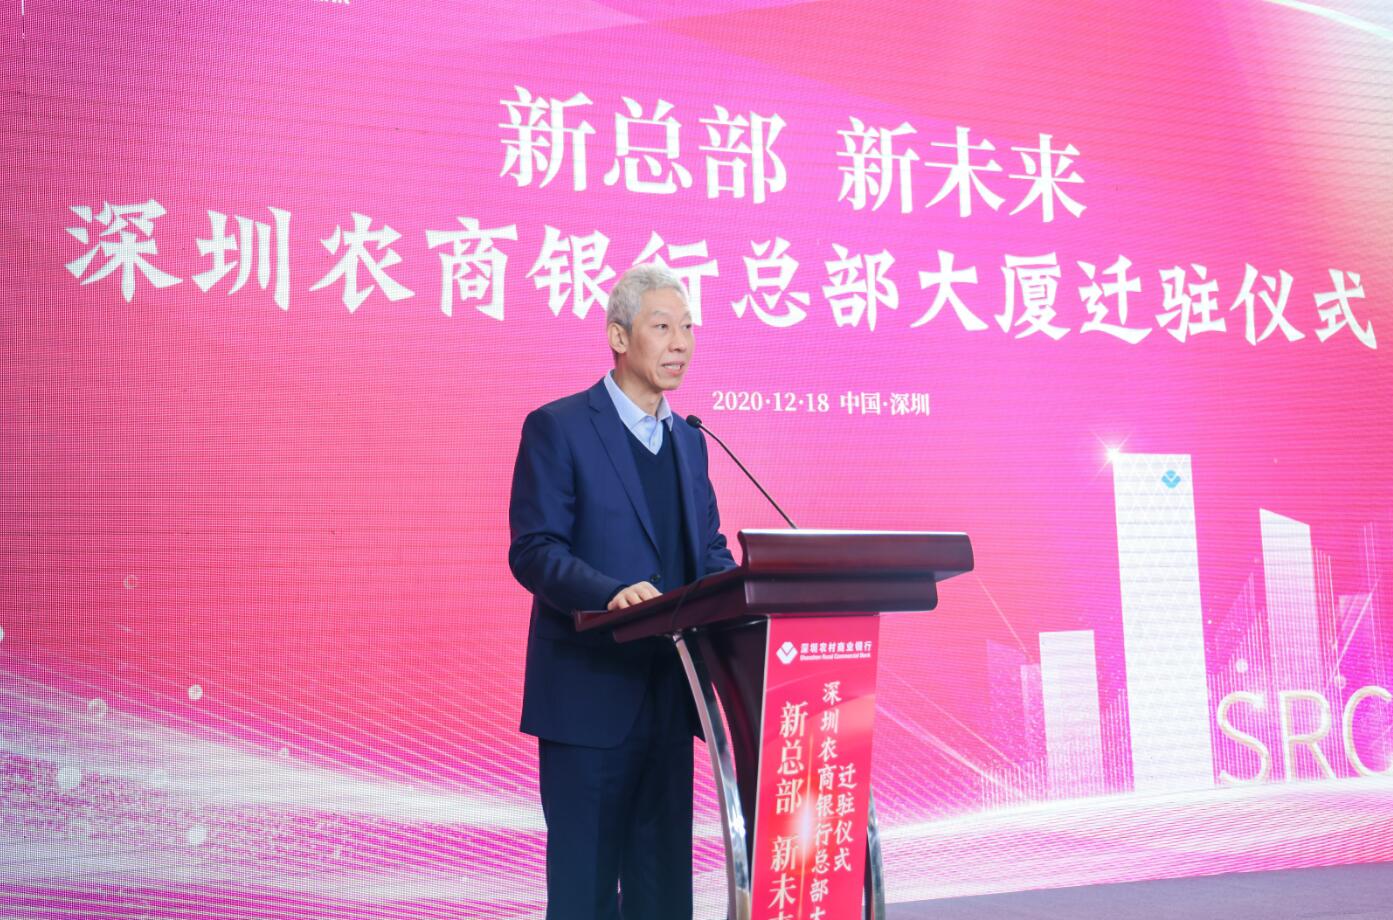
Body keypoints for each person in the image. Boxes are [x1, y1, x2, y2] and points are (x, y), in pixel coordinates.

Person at [508, 263, 738, 920]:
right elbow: (534, 550)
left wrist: (751, 601)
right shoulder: (559, 427)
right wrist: (609, 592)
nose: (680, 343)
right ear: (618, 336)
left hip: (670, 696)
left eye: (687, 328)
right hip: (589, 701)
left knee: (662, 892)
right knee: (584, 893)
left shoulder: (689, 440)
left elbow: (707, 550)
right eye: (662, 327)